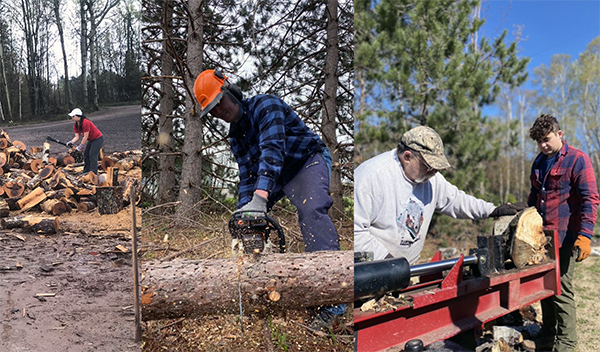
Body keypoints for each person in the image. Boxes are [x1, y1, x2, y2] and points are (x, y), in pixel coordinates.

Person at [193, 69, 343, 329]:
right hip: (275, 176)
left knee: (312, 211)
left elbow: (272, 151)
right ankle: (255, 279)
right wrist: (244, 213)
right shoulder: (235, 136)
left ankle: (334, 301)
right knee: (250, 219)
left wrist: (260, 198)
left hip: (305, 162)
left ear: (232, 92)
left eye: (220, 103)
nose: (219, 111)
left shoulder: (266, 105)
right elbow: (247, 177)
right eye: (213, 111)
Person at [354, 125, 524, 264]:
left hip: (406, 269)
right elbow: (356, 233)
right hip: (372, 271)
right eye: (429, 165)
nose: (434, 171)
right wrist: (387, 262)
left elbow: (456, 200)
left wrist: (492, 211)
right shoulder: (371, 177)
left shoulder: (430, 179)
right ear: (407, 156)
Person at [522, 114, 599, 352]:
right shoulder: (538, 162)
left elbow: (590, 198)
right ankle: (547, 335)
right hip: (541, 239)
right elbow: (534, 198)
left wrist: (585, 235)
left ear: (559, 135)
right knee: (544, 287)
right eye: (539, 142)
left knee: (561, 289)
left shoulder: (578, 159)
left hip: (566, 236)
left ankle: (567, 343)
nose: (543, 145)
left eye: (547, 139)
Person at [66, 108, 104, 176]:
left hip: (97, 139)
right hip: (91, 140)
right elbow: (77, 137)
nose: (72, 118)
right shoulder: (76, 125)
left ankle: (93, 173)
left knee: (93, 155)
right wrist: (71, 142)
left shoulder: (85, 123)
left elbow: (85, 136)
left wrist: (81, 146)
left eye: (73, 116)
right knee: (86, 154)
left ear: (78, 116)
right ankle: (86, 171)